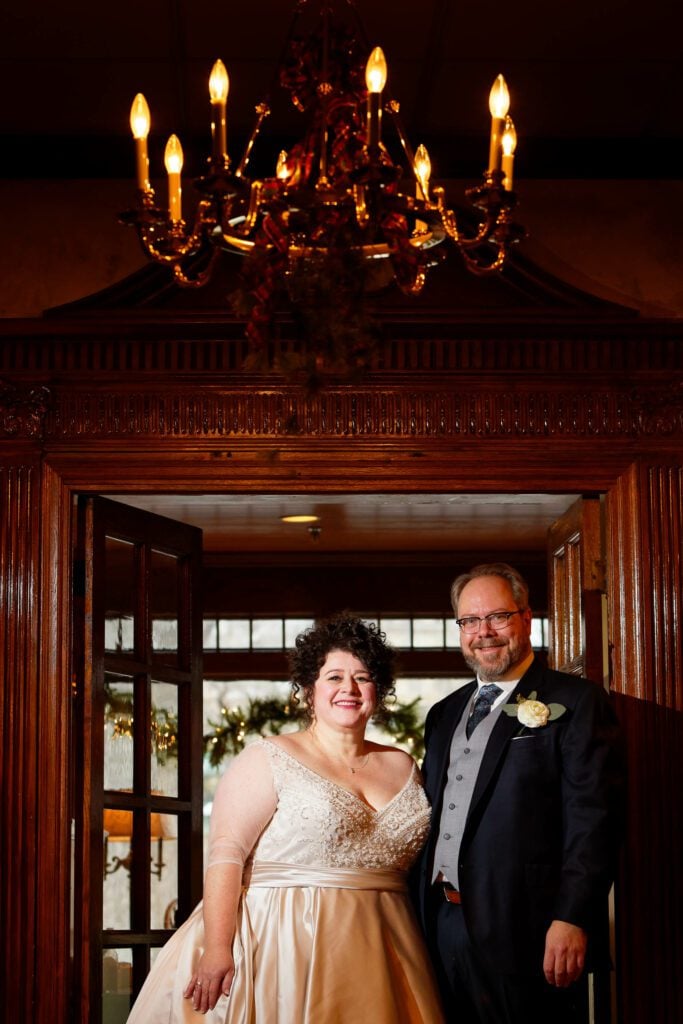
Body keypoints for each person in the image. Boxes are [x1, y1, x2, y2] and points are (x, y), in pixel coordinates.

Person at [126, 613, 444, 1023]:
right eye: (333, 677)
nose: (348, 688)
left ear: (378, 691)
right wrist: (219, 948)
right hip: (287, 942)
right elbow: (226, 854)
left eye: (363, 677)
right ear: (309, 690)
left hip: (390, 945)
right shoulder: (268, 757)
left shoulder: (403, 765)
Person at [414, 563, 623, 1024]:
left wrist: (572, 917)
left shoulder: (577, 702)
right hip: (441, 925)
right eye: (469, 621)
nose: (483, 632)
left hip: (531, 928)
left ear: (526, 617)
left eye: (498, 617)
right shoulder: (443, 713)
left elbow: (594, 819)